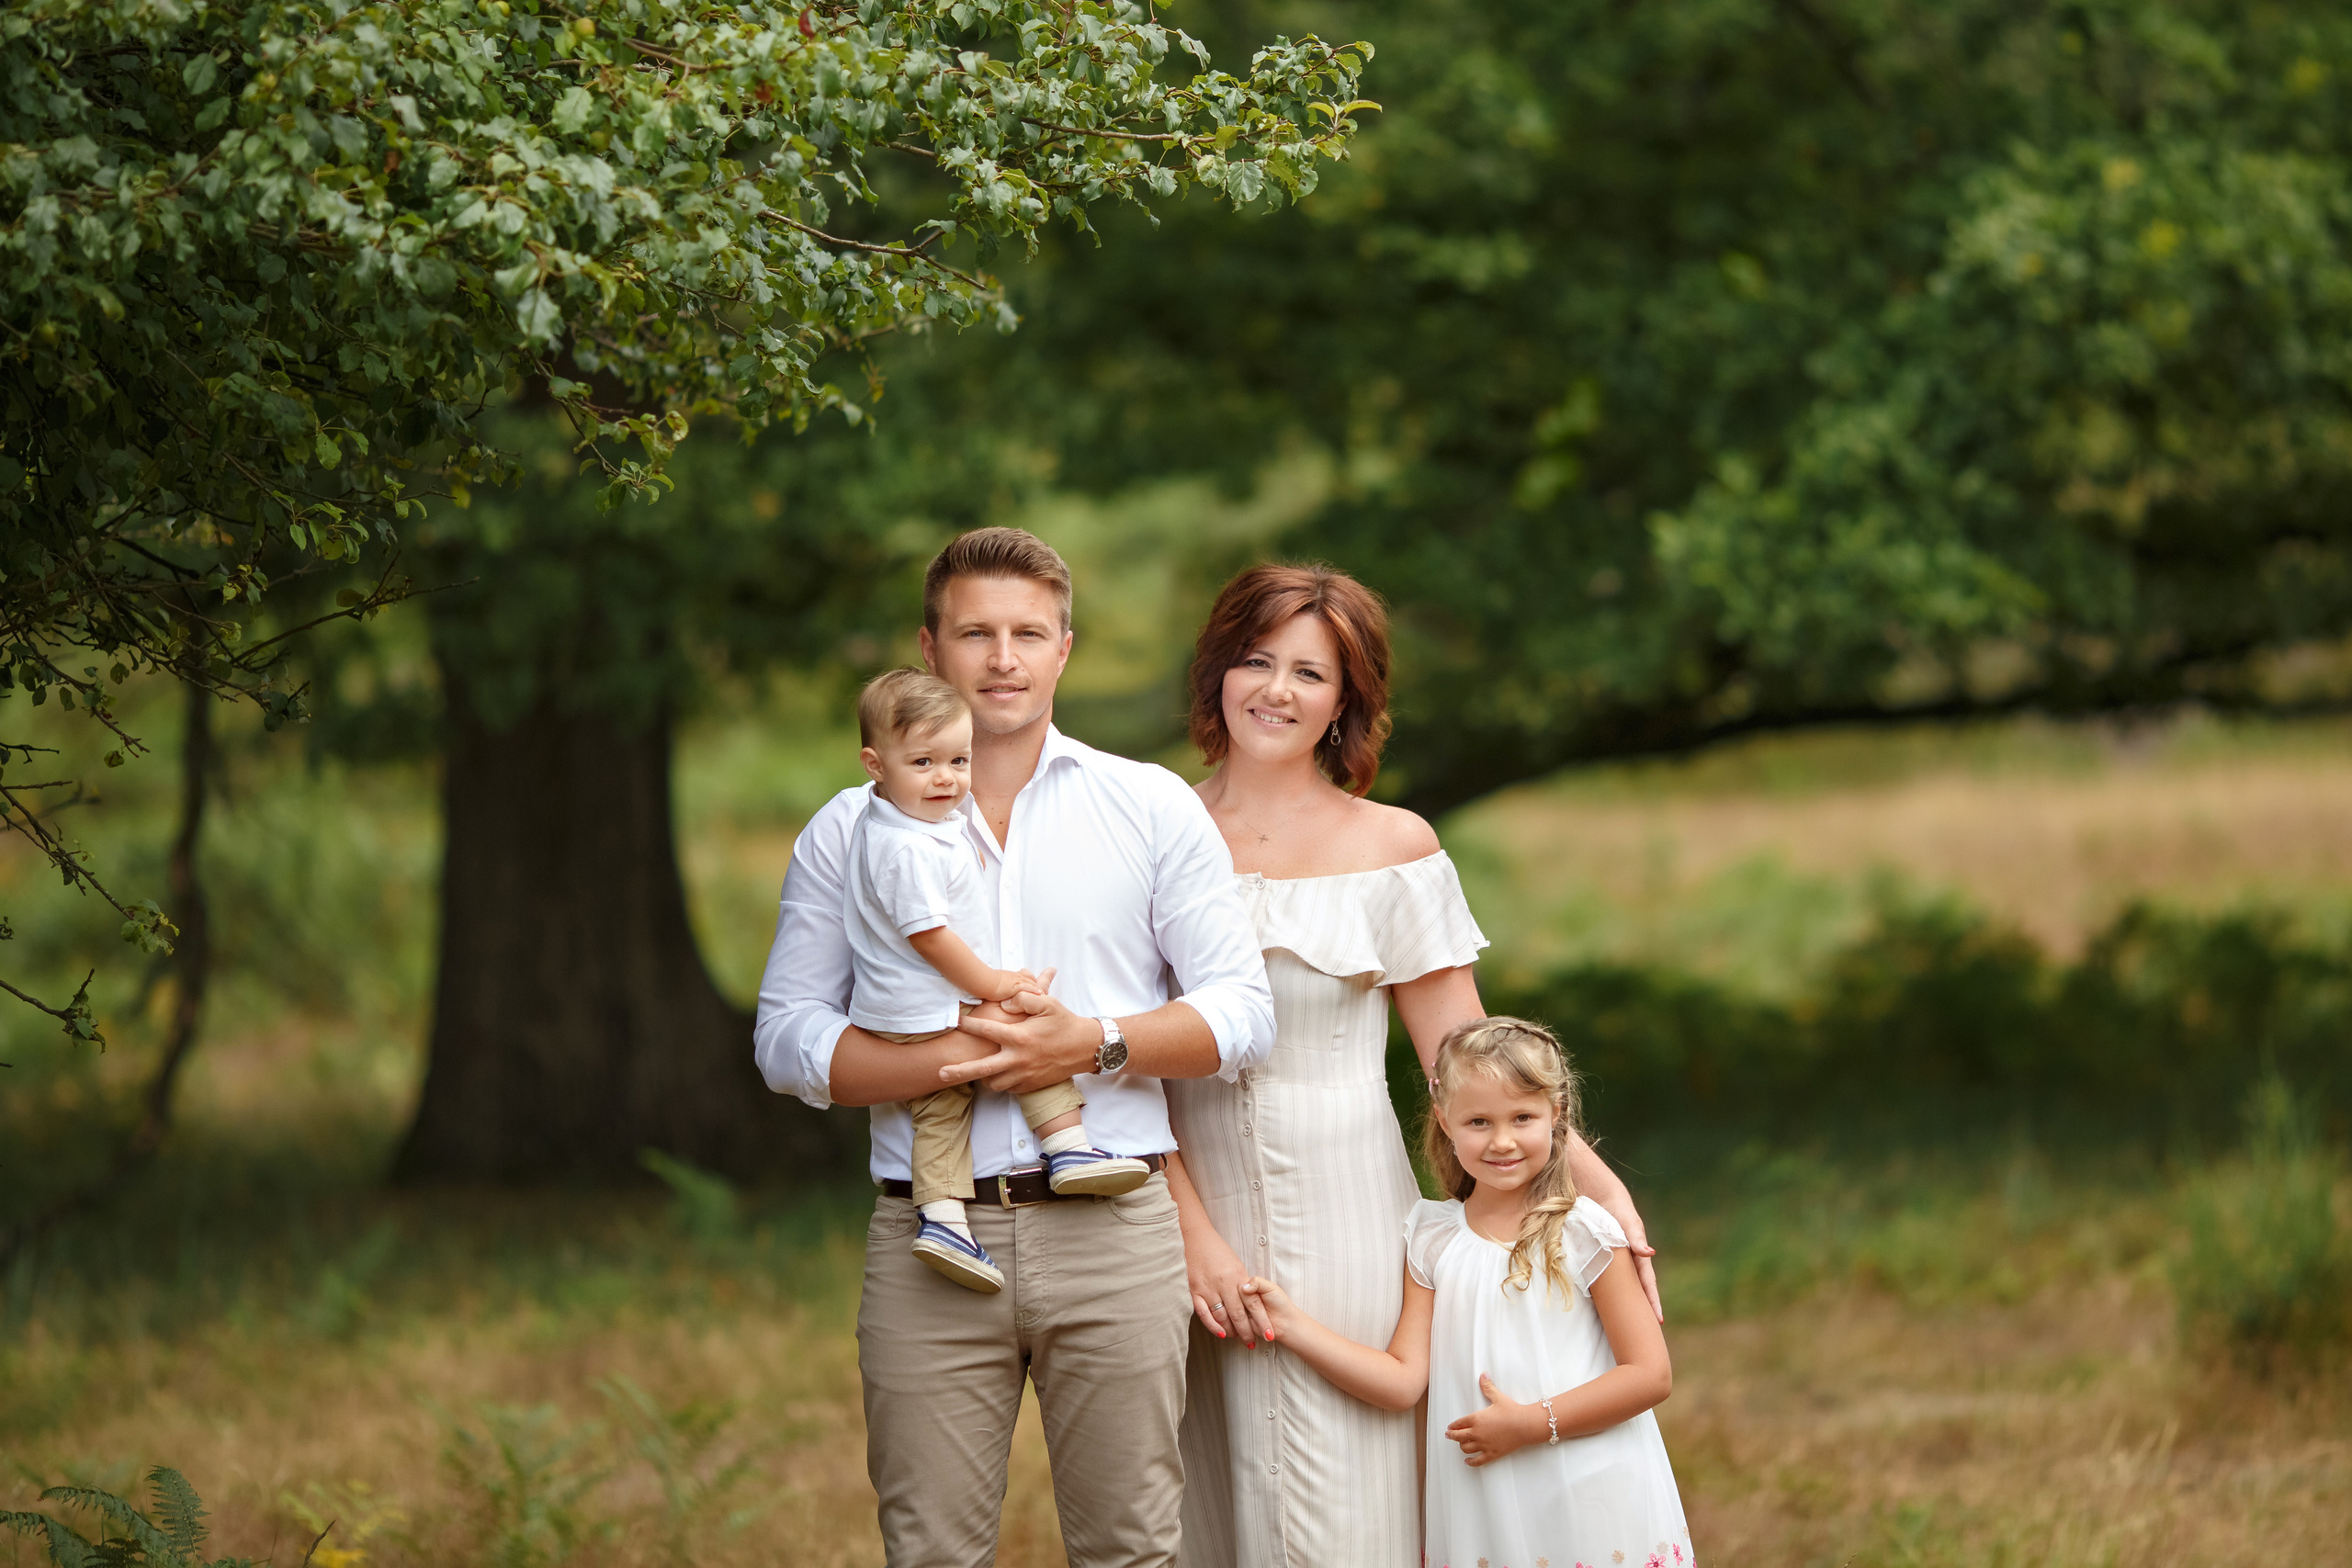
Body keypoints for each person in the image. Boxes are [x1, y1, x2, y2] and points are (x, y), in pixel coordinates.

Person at [754, 527, 1275, 1568]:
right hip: (927, 1242)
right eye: (975, 633)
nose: (1002, 659)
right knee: (929, 1554)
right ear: (928, 647)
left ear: (1064, 650)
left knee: (1130, 1549)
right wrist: (961, 1060)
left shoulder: (1147, 804)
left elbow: (1242, 1014)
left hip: (1115, 1232)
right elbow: (786, 1039)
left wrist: (1090, 1044)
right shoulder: (843, 831)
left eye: (1027, 634)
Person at [1162, 562, 1659, 1568]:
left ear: (1347, 699)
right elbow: (1114, 1071)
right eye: (1255, 661)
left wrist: (1603, 1201)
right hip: (1177, 1211)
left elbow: (1465, 1063)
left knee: (1351, 1503)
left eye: (1310, 673)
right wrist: (1194, 1238)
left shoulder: (1392, 846)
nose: (1276, 690)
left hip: (1349, 1213)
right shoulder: (1150, 830)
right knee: (1195, 1505)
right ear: (1218, 672)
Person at [1240, 1017, 1696, 1568]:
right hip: (1488, 1506)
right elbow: (1403, 1380)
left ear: (1557, 1118)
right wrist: (1293, 1326)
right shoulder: (1432, 1240)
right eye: (1479, 1121)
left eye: (1522, 1117)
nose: (1502, 1140)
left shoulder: (1584, 1230)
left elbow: (1651, 1374)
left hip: (1587, 1489)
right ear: (1445, 1121)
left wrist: (1531, 1424)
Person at [844, 666, 1151, 1293]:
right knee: (1022, 1027)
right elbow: (928, 935)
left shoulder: (911, 822)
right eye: (924, 761)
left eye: (959, 759)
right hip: (920, 1005)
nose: (946, 777)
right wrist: (996, 983)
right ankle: (1066, 1146)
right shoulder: (904, 848)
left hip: (910, 1005)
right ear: (875, 764)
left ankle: (943, 1218)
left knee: (941, 1105)